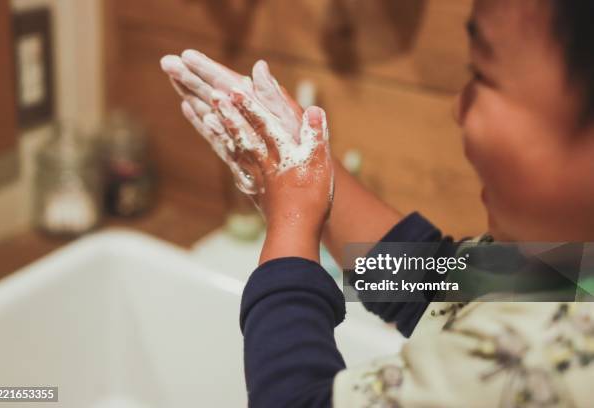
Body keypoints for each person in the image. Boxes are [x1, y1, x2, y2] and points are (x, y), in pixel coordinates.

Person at [160, 0, 594, 406]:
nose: (458, 109)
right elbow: (438, 289)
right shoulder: (572, 270)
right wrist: (308, 171)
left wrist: (290, 219)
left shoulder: (543, 358)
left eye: (482, 74)